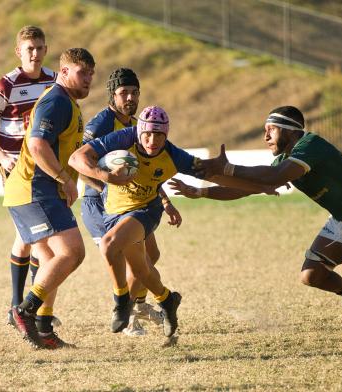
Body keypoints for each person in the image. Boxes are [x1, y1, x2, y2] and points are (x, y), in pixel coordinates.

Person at [170, 105, 342, 342]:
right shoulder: (287, 158)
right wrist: (199, 192)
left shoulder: (310, 146)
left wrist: (228, 168)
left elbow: (273, 177)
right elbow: (248, 188)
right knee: (312, 275)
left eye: (271, 130)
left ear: (291, 131)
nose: (266, 137)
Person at [69, 106, 271, 338]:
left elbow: (221, 176)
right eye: (147, 134)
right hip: (112, 210)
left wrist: (261, 186)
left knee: (109, 245)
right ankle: (167, 301)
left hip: (145, 210)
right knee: (142, 270)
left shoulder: (175, 156)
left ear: (166, 135)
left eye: (159, 135)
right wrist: (105, 176)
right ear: (139, 131)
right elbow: (76, 158)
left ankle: (121, 301)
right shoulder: (124, 138)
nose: (152, 140)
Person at [2, 47, 96, 349]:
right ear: (64, 72)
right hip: (35, 190)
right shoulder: (57, 100)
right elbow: (38, 144)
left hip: (33, 191)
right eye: (83, 73)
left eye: (92, 74)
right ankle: (25, 311)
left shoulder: (67, 102)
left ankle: (43, 329)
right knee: (73, 252)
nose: (88, 79)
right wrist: (64, 179)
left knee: (51, 261)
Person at [81, 68, 182, 336]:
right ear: (111, 96)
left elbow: (147, 172)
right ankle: (130, 311)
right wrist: (106, 185)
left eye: (134, 92)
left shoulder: (138, 126)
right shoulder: (100, 125)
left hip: (132, 201)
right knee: (123, 254)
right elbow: (80, 164)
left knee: (152, 256)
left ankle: (138, 306)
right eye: (123, 92)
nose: (129, 97)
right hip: (100, 204)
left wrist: (165, 201)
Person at [0, 25, 61, 329]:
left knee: (26, 237)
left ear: (46, 50)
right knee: (38, 238)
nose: (35, 54)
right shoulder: (5, 85)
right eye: (29, 49)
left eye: (39, 48)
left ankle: (19, 306)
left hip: (45, 170)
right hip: (16, 172)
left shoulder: (54, 81)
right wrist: (2, 157)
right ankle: (28, 308)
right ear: (18, 52)